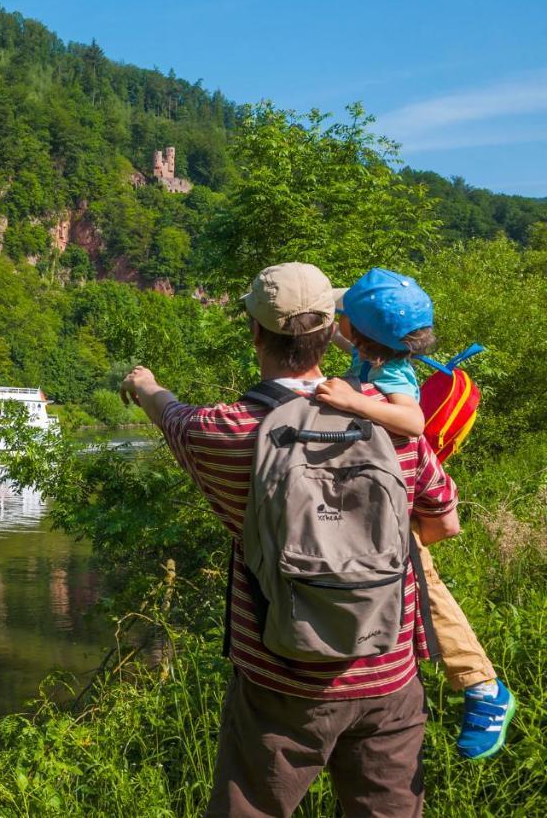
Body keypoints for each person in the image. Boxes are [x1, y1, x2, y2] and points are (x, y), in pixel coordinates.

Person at [121, 262, 460, 817]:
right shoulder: (394, 427)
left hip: (282, 675)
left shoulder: (222, 433)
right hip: (389, 670)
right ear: (333, 332)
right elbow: (445, 522)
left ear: (256, 332)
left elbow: (171, 415)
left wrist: (144, 385)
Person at [315, 268, 515, 760]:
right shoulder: (373, 355)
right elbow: (347, 342)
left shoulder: (392, 374)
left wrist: (348, 400)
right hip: (385, 495)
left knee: (424, 582)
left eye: (346, 323)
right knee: (418, 582)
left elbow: (412, 420)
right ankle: (473, 685)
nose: (341, 328)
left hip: (392, 494)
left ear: (364, 338)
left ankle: (485, 690)